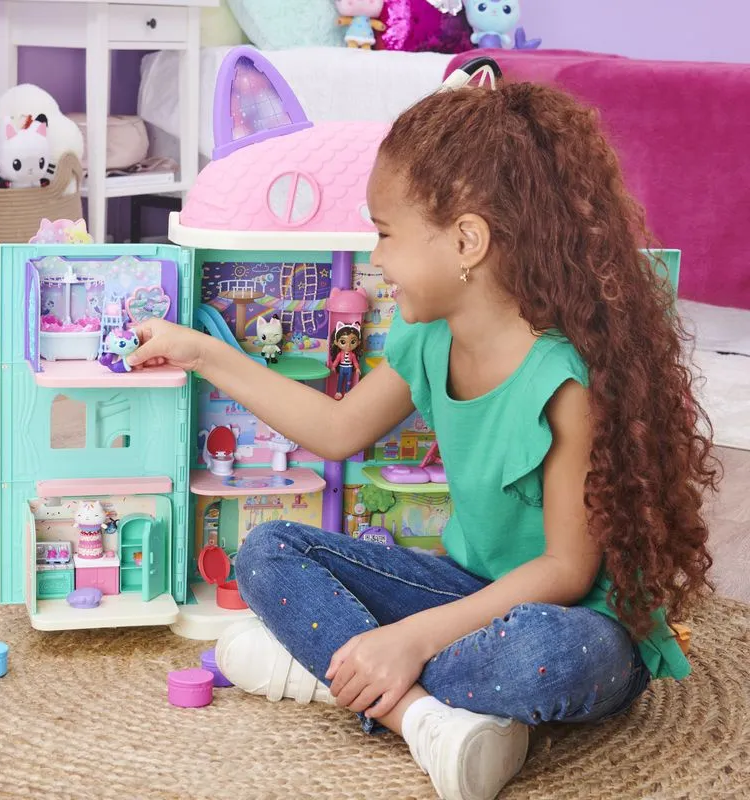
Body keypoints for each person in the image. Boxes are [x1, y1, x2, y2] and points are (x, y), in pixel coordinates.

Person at [127, 78, 719, 800]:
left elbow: (566, 570)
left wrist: (413, 638)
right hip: (468, 592)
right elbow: (337, 429)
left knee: (544, 657)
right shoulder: (427, 337)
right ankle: (419, 715)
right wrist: (204, 353)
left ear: (467, 241)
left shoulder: (563, 381)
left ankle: (325, 673)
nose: (375, 257)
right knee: (267, 552)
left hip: (577, 622)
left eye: (384, 232)